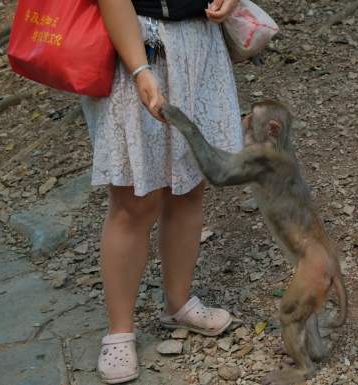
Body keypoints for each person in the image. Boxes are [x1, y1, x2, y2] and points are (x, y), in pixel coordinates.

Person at [82, 1, 241, 383]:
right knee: (133, 200)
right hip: (134, 47)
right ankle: (120, 329)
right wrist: (139, 68)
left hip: (199, 43)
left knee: (190, 185)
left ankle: (178, 302)